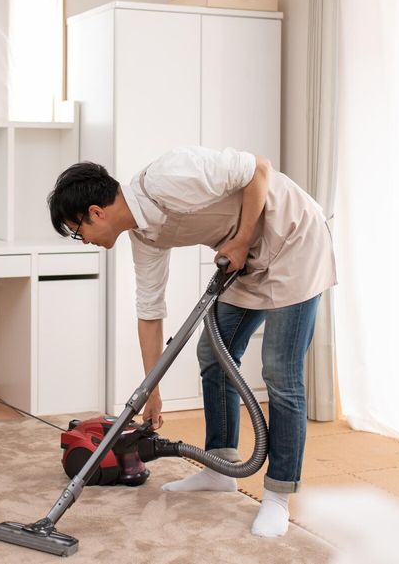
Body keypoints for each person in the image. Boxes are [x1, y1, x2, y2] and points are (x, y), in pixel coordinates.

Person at [47, 145, 336, 538]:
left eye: (78, 231)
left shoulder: (166, 177)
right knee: (214, 355)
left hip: (294, 241)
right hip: (247, 261)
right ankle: (221, 468)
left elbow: (258, 171)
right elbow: (149, 311)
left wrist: (240, 240)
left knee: (280, 371)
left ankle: (278, 496)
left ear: (96, 213)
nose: (84, 240)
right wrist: (153, 392)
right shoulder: (145, 236)